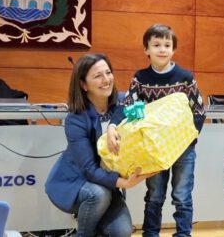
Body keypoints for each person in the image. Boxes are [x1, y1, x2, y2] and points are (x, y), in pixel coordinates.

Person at [107, 24, 206, 237]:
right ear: (146, 50)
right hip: (152, 150)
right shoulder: (141, 78)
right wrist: (112, 125)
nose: (162, 49)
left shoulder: (185, 77)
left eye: (167, 45)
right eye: (157, 44)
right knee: (154, 195)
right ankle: (150, 234)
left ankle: (183, 234)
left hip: (182, 150)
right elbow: (127, 106)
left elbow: (199, 110)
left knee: (182, 195)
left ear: (173, 49)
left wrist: (189, 139)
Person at [45, 53, 154, 237]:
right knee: (98, 195)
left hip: (106, 184)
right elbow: (88, 169)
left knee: (122, 231)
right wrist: (124, 183)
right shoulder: (76, 119)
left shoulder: (122, 104)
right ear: (83, 84)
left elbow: (144, 103)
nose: (106, 80)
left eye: (108, 72)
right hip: (75, 183)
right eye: (97, 76)